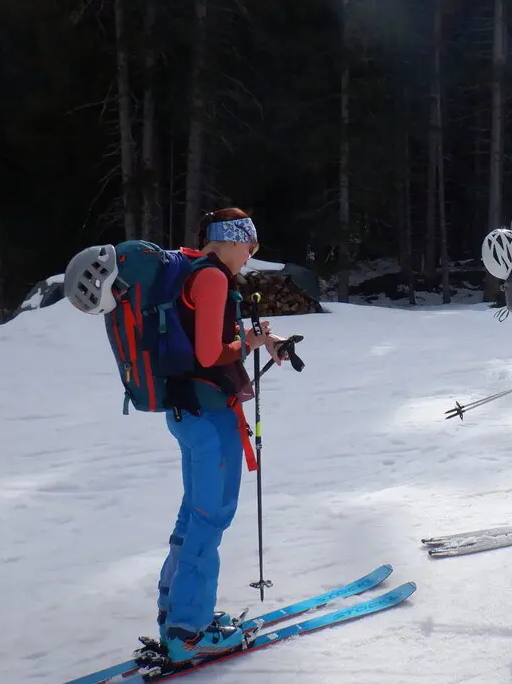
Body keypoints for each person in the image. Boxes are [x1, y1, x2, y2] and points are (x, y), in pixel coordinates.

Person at [150, 208, 286, 663]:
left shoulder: (192, 272)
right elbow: (211, 354)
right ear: (228, 239)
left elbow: (202, 343)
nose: (250, 255)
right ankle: (188, 632)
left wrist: (254, 339)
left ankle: (175, 615)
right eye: (248, 245)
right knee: (210, 518)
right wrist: (246, 343)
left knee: (194, 515)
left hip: (189, 412)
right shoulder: (212, 278)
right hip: (208, 417)